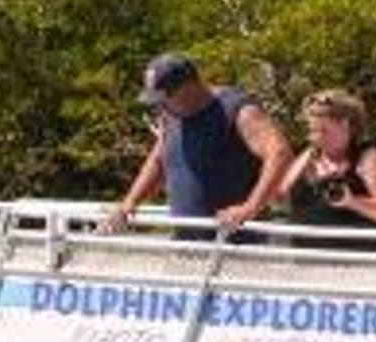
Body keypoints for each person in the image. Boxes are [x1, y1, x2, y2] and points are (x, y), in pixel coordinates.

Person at [107, 52, 285, 235]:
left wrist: (250, 207)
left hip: (235, 246)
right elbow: (159, 161)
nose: (160, 106)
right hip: (189, 245)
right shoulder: (171, 115)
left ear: (189, 86)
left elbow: (279, 153)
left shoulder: (236, 109)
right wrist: (129, 202)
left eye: (165, 98)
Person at [274, 88, 376, 250]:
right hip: (306, 263)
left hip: (357, 265)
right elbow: (279, 198)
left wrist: (352, 202)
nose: (315, 138)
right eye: (312, 131)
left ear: (345, 124)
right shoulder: (307, 156)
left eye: (323, 131)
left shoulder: (370, 159)